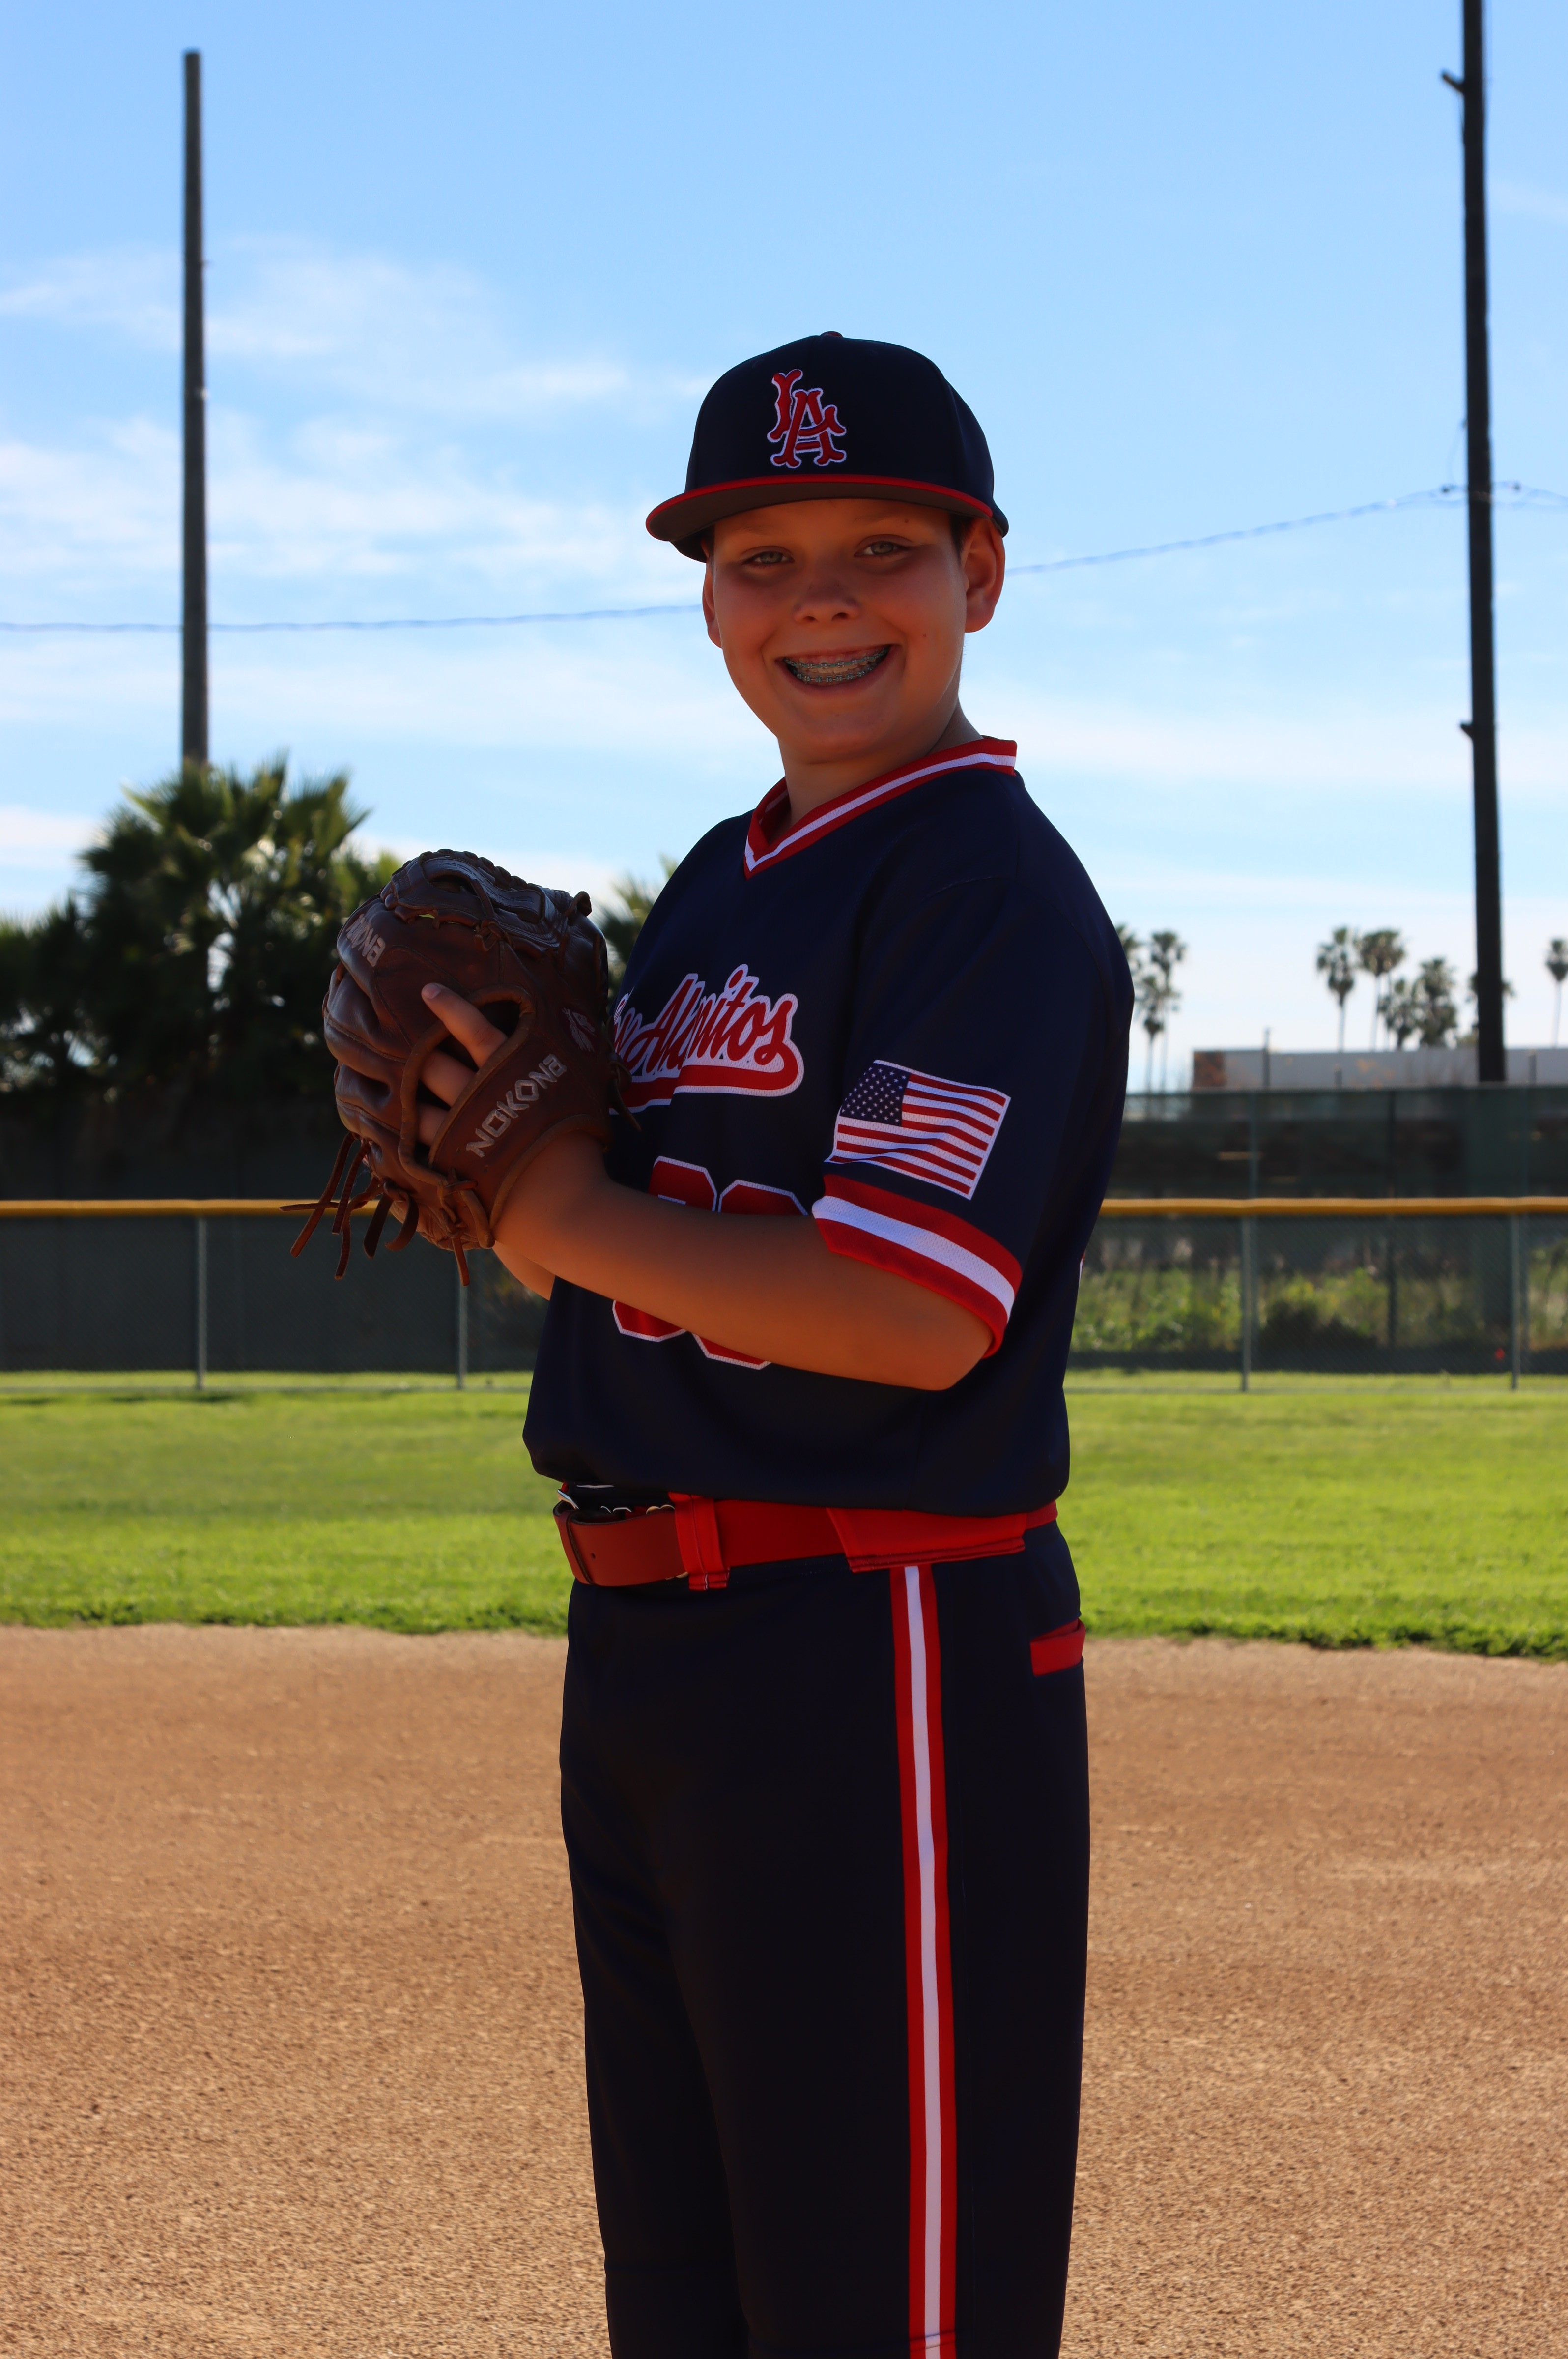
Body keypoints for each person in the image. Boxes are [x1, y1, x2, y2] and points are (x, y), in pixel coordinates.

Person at [419, 334, 1132, 2359]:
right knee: (693, 2301)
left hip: (872, 1646)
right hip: (653, 1650)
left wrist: (545, 1209)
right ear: (711, 603)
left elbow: (909, 1311)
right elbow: (658, 1263)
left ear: (980, 572)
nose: (820, 601)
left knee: (877, 2304)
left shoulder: (982, 887)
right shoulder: (713, 890)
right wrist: (503, 1168)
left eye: (881, 548)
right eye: (762, 560)